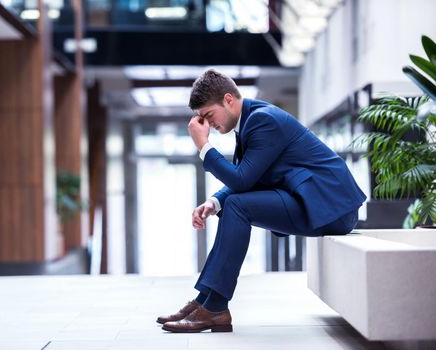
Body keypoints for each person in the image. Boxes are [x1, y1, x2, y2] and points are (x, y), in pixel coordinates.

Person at [157, 69, 367, 333]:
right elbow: (250, 176)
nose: (208, 125)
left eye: (209, 116)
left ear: (228, 99)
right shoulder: (251, 122)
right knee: (232, 204)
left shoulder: (263, 121)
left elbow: (243, 180)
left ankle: (215, 307)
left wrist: (204, 147)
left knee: (238, 205)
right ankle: (206, 302)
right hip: (308, 199)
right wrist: (215, 201)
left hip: (330, 208)